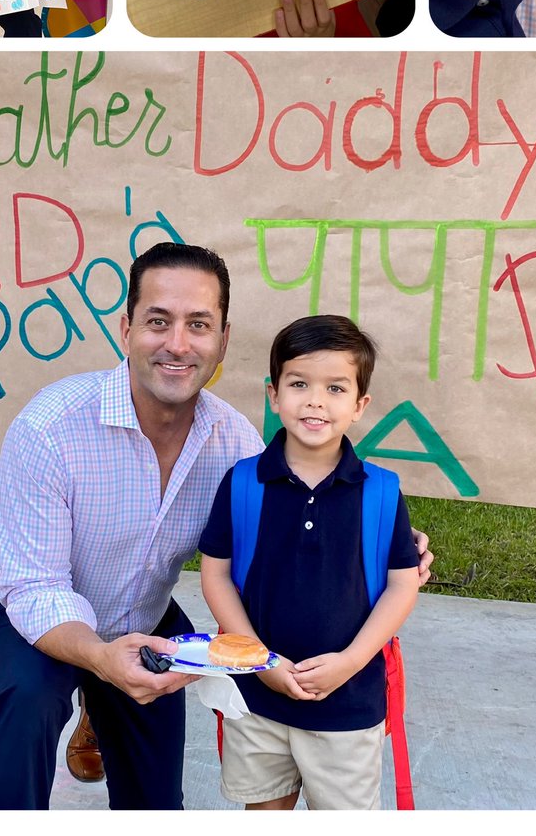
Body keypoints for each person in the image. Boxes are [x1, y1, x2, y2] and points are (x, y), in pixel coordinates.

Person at [0, 243, 433, 809]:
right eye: (158, 321)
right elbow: (34, 585)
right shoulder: (49, 428)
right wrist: (99, 659)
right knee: (31, 699)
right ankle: (84, 702)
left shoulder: (235, 445)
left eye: (199, 324)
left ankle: (103, 703)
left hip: (147, 620)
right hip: (33, 614)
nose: (178, 344)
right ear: (127, 328)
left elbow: (293, 514)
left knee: (157, 805)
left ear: (223, 340)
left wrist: (389, 545)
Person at [199, 315, 420, 810]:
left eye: (336, 388)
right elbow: (215, 574)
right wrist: (259, 660)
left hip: (347, 704)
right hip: (257, 700)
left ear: (360, 405)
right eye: (299, 384)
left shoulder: (381, 492)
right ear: (274, 395)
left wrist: (350, 662)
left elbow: (402, 585)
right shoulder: (242, 483)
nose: (316, 400)